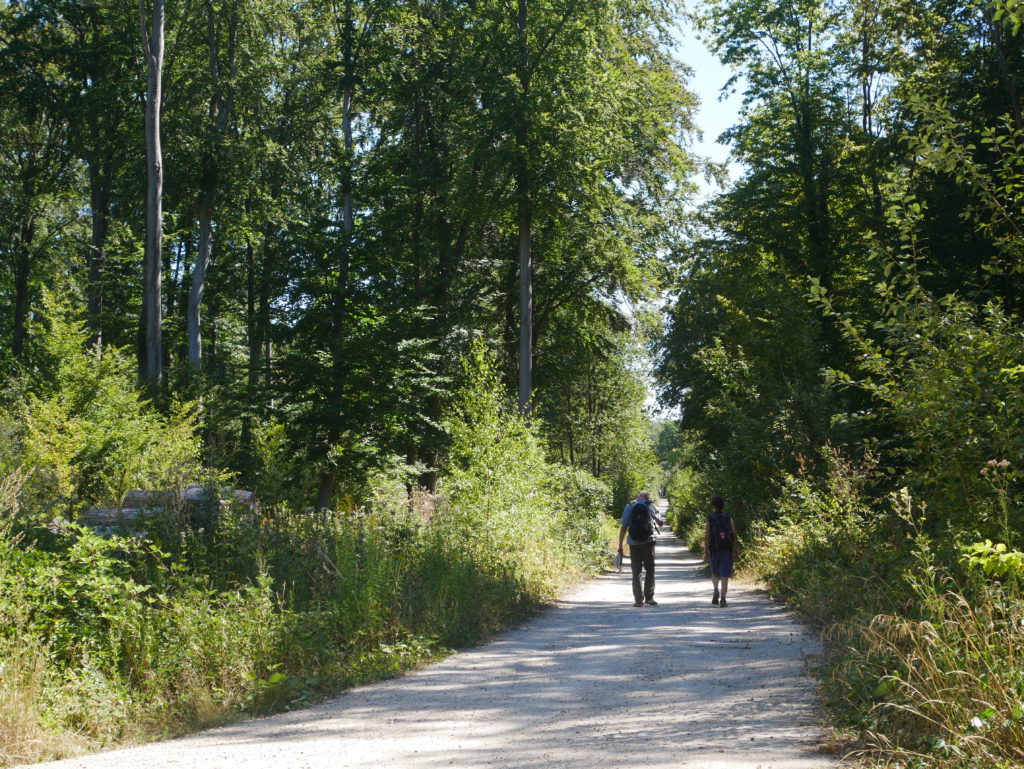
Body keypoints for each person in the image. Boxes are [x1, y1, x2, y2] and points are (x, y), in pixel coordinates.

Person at [617, 491, 665, 607]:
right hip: (648, 541)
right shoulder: (650, 505)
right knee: (650, 569)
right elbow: (661, 523)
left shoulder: (630, 505)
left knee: (636, 571)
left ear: (637, 496)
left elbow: (623, 526)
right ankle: (649, 598)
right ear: (648, 497)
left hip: (633, 542)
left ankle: (638, 600)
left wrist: (620, 545)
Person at [703, 496, 737, 607]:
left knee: (715, 573)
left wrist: (705, 551)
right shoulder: (728, 517)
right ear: (723, 505)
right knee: (724, 576)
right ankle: (723, 599)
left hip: (714, 549)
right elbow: (733, 533)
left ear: (713, 505)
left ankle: (716, 590)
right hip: (726, 549)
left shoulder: (710, 518)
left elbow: (707, 535)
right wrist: (735, 548)